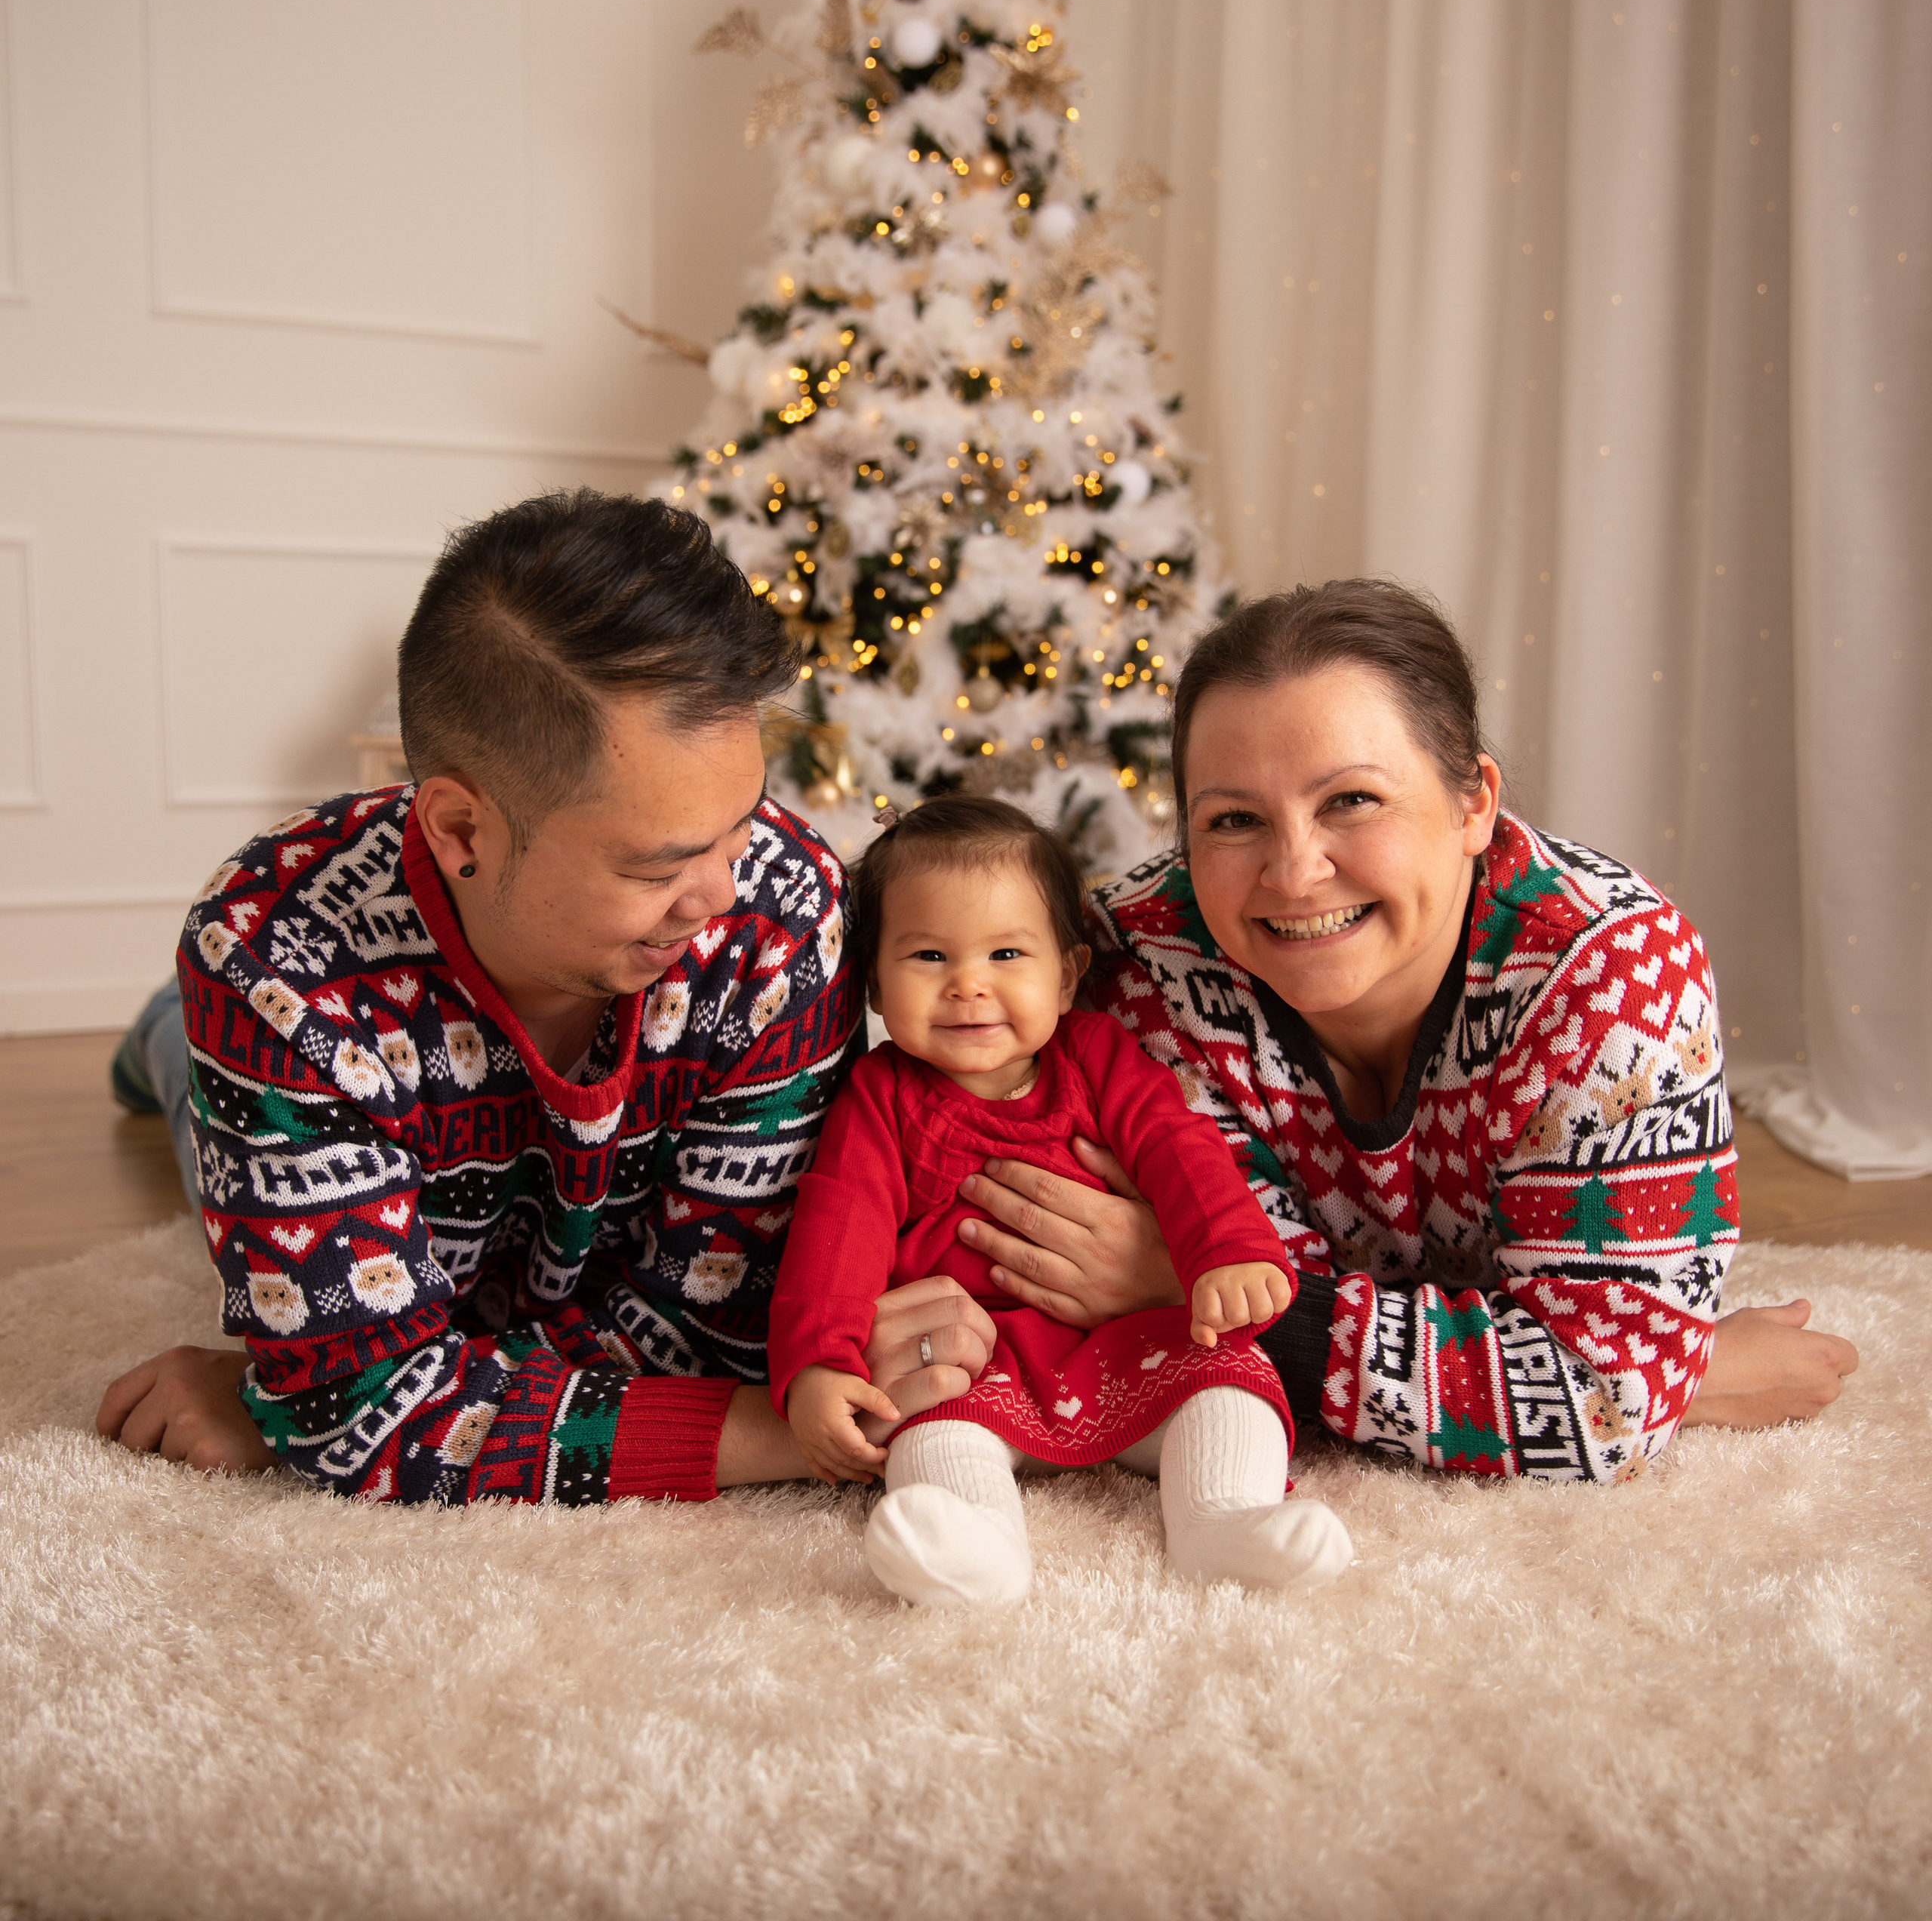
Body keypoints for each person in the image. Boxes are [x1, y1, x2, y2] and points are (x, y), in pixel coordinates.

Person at [95, 491, 997, 1499]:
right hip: (276, 1039)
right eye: (659, 868)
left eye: (739, 823)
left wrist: (390, 1389)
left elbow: (717, 1327)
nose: (723, 892)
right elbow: (359, 1419)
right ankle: (170, 1038)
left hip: (497, 1218)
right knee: (197, 1080)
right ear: (463, 832)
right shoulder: (270, 966)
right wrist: (793, 1435)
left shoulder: (784, 910)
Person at [945, 580, 1860, 1479]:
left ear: (1474, 805)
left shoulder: (1613, 979)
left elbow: (1594, 1408)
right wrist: (1664, 1377)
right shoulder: (1125, 969)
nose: (1295, 872)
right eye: (1233, 820)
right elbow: (1095, 1313)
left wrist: (1189, 1283)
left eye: (1351, 800)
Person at [768, 796, 1352, 1605]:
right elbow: (839, 1230)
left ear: (1068, 974)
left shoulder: (1097, 1055)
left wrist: (1229, 1250)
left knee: (1229, 1376)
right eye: (929, 956)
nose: (969, 984)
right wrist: (817, 1365)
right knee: (931, 1432)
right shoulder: (879, 1094)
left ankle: (1224, 1522)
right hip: (977, 1356)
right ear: (872, 983)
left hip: (1131, 1341)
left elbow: (1177, 1150)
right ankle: (975, 1547)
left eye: (1006, 953)